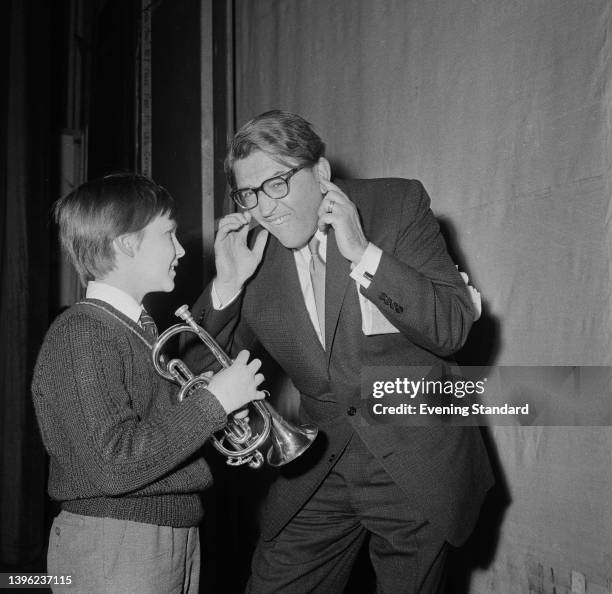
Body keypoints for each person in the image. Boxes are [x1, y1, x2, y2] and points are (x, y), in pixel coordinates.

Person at [185, 110, 494, 593]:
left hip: (414, 461)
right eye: (249, 194)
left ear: (322, 173)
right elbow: (194, 374)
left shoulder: (396, 205)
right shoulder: (251, 254)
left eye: (278, 184)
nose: (265, 208)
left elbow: (452, 328)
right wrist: (226, 286)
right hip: (318, 465)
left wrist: (365, 253)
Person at [31, 173, 265, 593]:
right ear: (126, 242)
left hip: (164, 533)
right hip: (119, 540)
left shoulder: (132, 327)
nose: (181, 248)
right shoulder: (83, 331)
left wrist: (218, 404)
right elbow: (112, 465)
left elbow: (164, 409)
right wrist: (212, 404)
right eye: (169, 233)